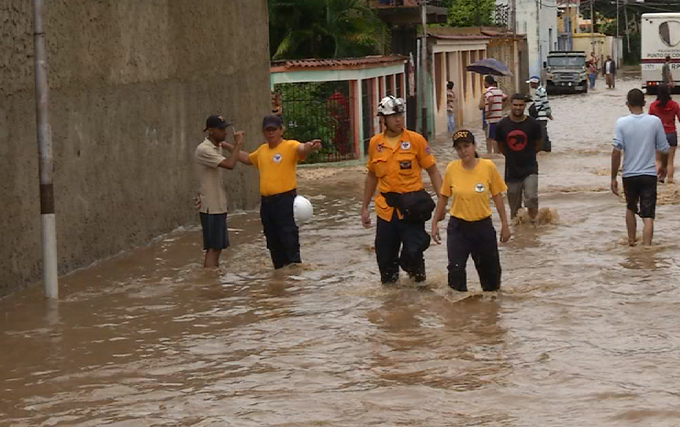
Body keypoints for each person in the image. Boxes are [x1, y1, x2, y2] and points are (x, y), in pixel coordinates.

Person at [360, 95, 443, 284]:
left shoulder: (416, 141)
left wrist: (442, 202)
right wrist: (364, 206)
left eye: (400, 115)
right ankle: (392, 304)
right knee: (385, 261)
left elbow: (433, 171)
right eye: (393, 116)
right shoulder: (375, 144)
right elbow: (372, 176)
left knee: (414, 255)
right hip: (385, 211)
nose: (398, 119)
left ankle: (418, 293)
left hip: (412, 209)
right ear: (383, 119)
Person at [226, 115, 322, 269]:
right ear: (263, 132)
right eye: (267, 130)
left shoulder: (290, 146)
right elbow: (247, 159)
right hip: (267, 203)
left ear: (281, 130)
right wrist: (230, 147)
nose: (271, 133)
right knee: (272, 239)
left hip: (285, 201)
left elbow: (302, 148)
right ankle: (279, 272)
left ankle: (293, 272)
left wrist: (311, 146)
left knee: (288, 237)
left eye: (274, 129)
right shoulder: (262, 150)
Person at [431, 130, 511, 292]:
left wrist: (505, 224)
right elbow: (443, 197)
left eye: (466, 146)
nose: (463, 151)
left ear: (474, 146)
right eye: (459, 148)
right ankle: (460, 311)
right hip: (458, 228)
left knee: (491, 277)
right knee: (455, 269)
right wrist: (434, 224)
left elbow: (497, 197)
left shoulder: (487, 167)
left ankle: (489, 311)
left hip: (483, 228)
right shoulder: (452, 168)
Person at [611, 89, 669, 246]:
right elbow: (664, 149)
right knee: (648, 215)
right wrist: (663, 166)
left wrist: (613, 177)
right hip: (649, 174)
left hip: (629, 174)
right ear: (644, 103)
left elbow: (616, 152)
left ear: (627, 104)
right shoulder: (654, 122)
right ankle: (647, 249)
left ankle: (631, 242)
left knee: (630, 207)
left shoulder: (621, 123)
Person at [194, 115, 244, 268]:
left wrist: (232, 146)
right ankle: (210, 282)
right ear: (210, 130)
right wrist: (238, 144)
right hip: (211, 206)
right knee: (213, 248)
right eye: (221, 129)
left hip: (218, 204)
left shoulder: (217, 146)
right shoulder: (204, 149)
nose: (225, 132)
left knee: (218, 247)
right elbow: (230, 164)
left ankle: (213, 280)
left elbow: (234, 154)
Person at [495, 93, 543, 222]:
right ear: (510, 105)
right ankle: (518, 236)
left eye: (521, 105)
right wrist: (512, 156)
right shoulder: (501, 125)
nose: (518, 108)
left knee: (532, 198)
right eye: (515, 105)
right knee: (515, 210)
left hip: (530, 168)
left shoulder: (533, 124)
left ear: (525, 106)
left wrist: (528, 154)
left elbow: (538, 145)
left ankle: (534, 226)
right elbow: (500, 146)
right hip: (512, 171)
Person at [648, 84, 680, 183]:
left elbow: (649, 121)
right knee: (670, 161)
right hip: (671, 134)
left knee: (658, 160)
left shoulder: (653, 106)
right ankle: (670, 180)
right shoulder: (674, 105)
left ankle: (658, 178)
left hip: (658, 135)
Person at [478, 75, 506, 154]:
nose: (483, 83)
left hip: (491, 119)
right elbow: (506, 98)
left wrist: (489, 112)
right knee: (496, 137)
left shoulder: (488, 92)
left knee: (490, 138)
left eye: (484, 82)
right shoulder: (499, 91)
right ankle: (497, 153)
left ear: (486, 83)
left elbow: (490, 100)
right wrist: (501, 108)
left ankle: (490, 154)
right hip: (499, 117)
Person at [527, 76, 553, 152]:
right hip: (539, 116)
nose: (530, 85)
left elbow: (545, 102)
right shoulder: (538, 91)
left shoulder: (540, 91)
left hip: (541, 116)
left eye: (531, 83)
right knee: (542, 131)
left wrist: (548, 113)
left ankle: (542, 148)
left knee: (542, 132)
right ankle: (546, 149)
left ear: (534, 83)